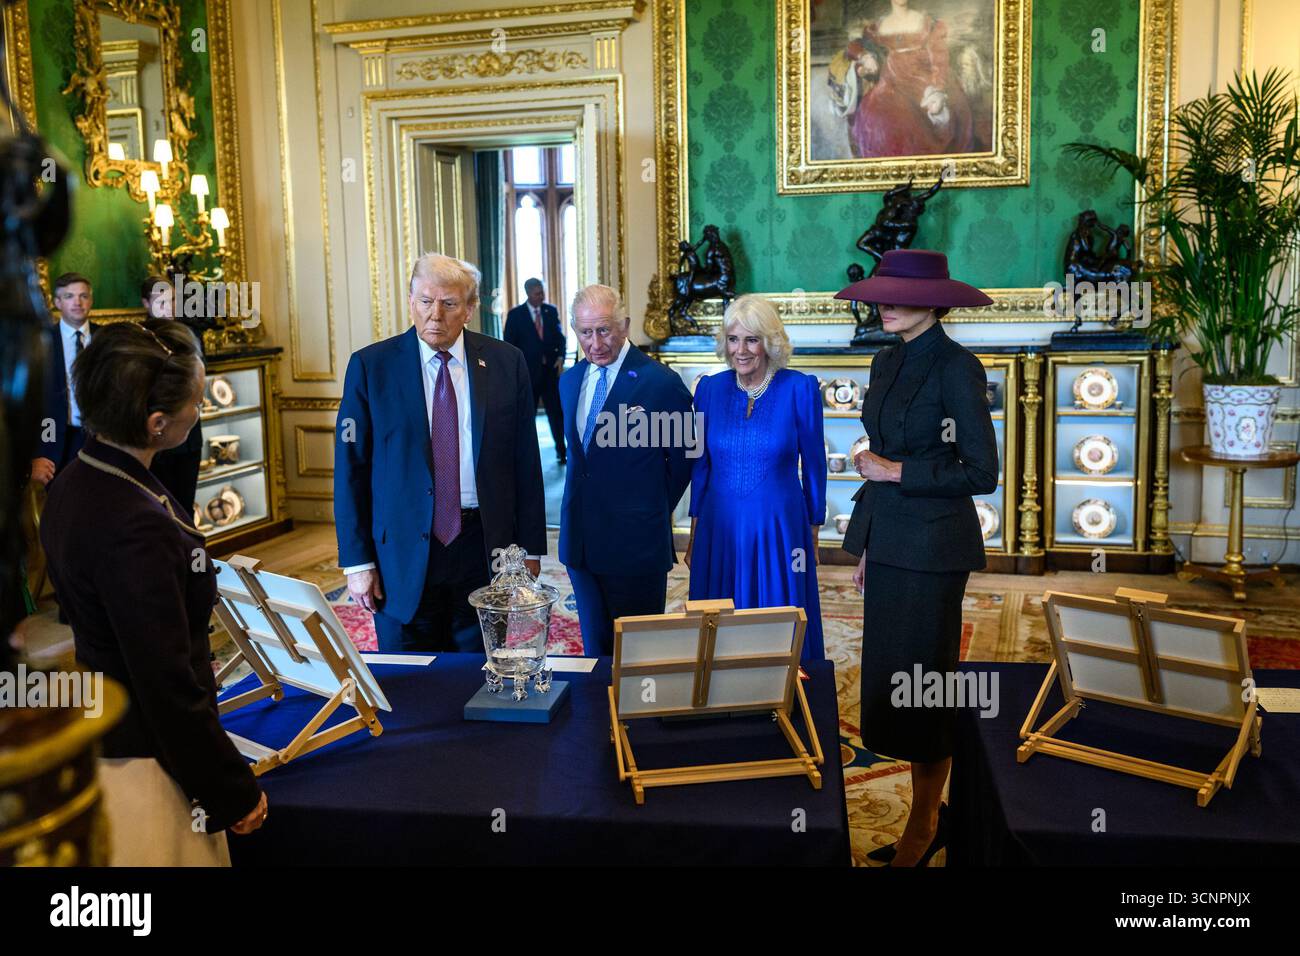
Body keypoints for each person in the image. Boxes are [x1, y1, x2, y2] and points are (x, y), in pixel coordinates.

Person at [39, 320, 266, 865]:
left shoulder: (78, 477)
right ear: (158, 423)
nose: (200, 411)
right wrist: (230, 787)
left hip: (108, 731)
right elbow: (167, 685)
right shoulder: (137, 525)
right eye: (196, 400)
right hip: (147, 765)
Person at [834, 249, 998, 867]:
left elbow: (981, 470)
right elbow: (878, 465)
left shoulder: (958, 367)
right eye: (882, 290)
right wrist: (871, 543)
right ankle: (924, 815)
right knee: (888, 691)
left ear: (934, 301)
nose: (884, 301)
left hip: (934, 550)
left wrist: (895, 469)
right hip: (894, 542)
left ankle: (927, 824)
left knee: (923, 690)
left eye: (898, 292)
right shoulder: (885, 357)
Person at [335, 253, 546, 653]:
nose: (435, 315)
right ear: (410, 300)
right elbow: (351, 469)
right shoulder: (371, 366)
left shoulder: (506, 362)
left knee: (483, 676)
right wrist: (358, 563)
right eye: (425, 301)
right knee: (410, 688)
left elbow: (525, 463)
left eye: (449, 304)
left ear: (470, 309)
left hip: (483, 546)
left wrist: (530, 549)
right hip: (400, 552)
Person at [686, 294, 827, 663]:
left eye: (751, 339)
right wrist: (694, 530)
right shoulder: (708, 390)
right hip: (720, 526)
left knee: (778, 615)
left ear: (769, 342)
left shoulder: (800, 388)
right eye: (733, 339)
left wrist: (813, 530)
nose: (741, 350)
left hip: (779, 528)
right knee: (716, 616)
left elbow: (814, 464)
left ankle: (780, 692)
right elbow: (700, 466)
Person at [557, 285, 695, 656]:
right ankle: (599, 715)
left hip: (635, 544)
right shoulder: (569, 382)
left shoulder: (660, 383)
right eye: (585, 332)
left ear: (625, 325)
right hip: (581, 543)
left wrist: (646, 508)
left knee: (638, 653)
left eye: (604, 330)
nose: (595, 342)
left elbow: (684, 460)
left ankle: (639, 717)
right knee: (595, 650)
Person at [836, 0, 975, 159]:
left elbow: (939, 59)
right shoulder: (876, 28)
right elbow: (854, 47)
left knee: (922, 119)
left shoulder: (928, 24)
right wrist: (865, 56)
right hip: (889, 83)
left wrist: (935, 89)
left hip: (924, 80)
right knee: (876, 115)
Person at [143, 275, 205, 513]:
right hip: (158, 435)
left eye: (172, 301)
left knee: (185, 505)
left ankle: (189, 551)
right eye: (161, 302)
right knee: (159, 506)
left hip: (189, 436)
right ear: (146, 304)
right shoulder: (141, 337)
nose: (169, 308)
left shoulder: (191, 334)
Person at [30, 272, 95, 487]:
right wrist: (41, 451)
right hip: (58, 441)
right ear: (57, 302)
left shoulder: (107, 339)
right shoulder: (42, 341)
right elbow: (37, 403)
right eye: (69, 296)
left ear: (90, 300)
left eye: (83, 296)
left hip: (101, 440)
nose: (77, 302)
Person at [504, 277, 567, 464]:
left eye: (543, 292)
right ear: (528, 293)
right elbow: (509, 345)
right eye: (538, 293)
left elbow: (560, 338)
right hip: (527, 375)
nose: (542, 296)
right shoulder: (516, 315)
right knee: (526, 417)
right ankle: (526, 455)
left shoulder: (550, 311)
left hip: (549, 373)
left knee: (556, 413)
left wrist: (560, 357)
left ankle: (562, 451)